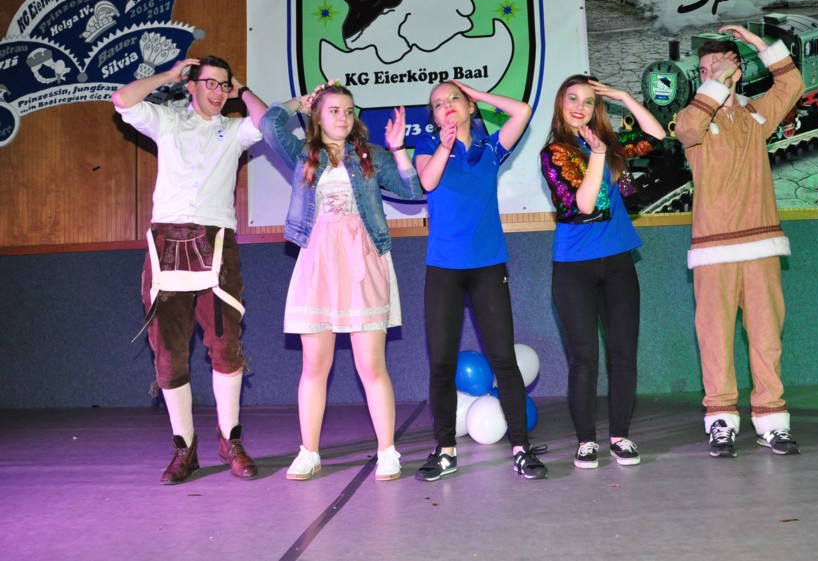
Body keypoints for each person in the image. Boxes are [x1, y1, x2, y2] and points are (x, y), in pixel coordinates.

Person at [112, 56, 268, 484]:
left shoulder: (233, 130)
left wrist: (243, 90)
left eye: (224, 85)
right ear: (192, 85)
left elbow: (269, 123)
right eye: (210, 83)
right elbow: (122, 99)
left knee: (225, 345)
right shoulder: (167, 121)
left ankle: (230, 440)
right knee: (167, 351)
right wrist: (168, 74)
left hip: (216, 245)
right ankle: (184, 448)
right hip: (166, 245)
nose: (218, 92)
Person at [258, 83, 423, 481]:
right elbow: (269, 124)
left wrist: (399, 148)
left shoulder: (369, 155)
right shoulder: (304, 154)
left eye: (349, 111)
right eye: (333, 110)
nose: (343, 117)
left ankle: (387, 451)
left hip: (363, 260)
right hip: (319, 262)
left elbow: (413, 189)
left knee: (371, 364)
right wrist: (300, 102)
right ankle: (309, 452)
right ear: (317, 116)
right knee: (314, 364)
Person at [675, 25, 804, 457]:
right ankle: (721, 421)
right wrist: (716, 81)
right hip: (713, 249)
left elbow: (792, 84)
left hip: (761, 244)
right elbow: (686, 128)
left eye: (718, 65)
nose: (709, 73)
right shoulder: (694, 118)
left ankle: (772, 421)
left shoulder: (756, 115)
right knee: (714, 339)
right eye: (703, 70)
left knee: (767, 337)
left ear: (738, 70)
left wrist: (756, 44)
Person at [413, 80, 547, 480]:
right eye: (438, 104)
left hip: (488, 267)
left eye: (453, 99)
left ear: (470, 106)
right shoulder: (427, 147)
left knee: (503, 358)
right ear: (434, 117)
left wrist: (475, 94)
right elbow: (428, 182)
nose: (446, 106)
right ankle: (445, 450)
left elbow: (522, 112)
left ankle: (521, 449)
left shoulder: (490, 149)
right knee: (441, 363)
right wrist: (444, 145)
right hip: (444, 270)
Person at [540, 75, 666, 469]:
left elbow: (657, 135)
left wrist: (624, 97)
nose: (580, 107)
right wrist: (596, 154)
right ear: (561, 105)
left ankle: (620, 436)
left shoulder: (609, 144)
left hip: (618, 262)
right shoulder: (554, 152)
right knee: (584, 358)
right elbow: (584, 204)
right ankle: (585, 442)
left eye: (589, 101)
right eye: (572, 99)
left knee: (623, 355)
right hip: (574, 267)